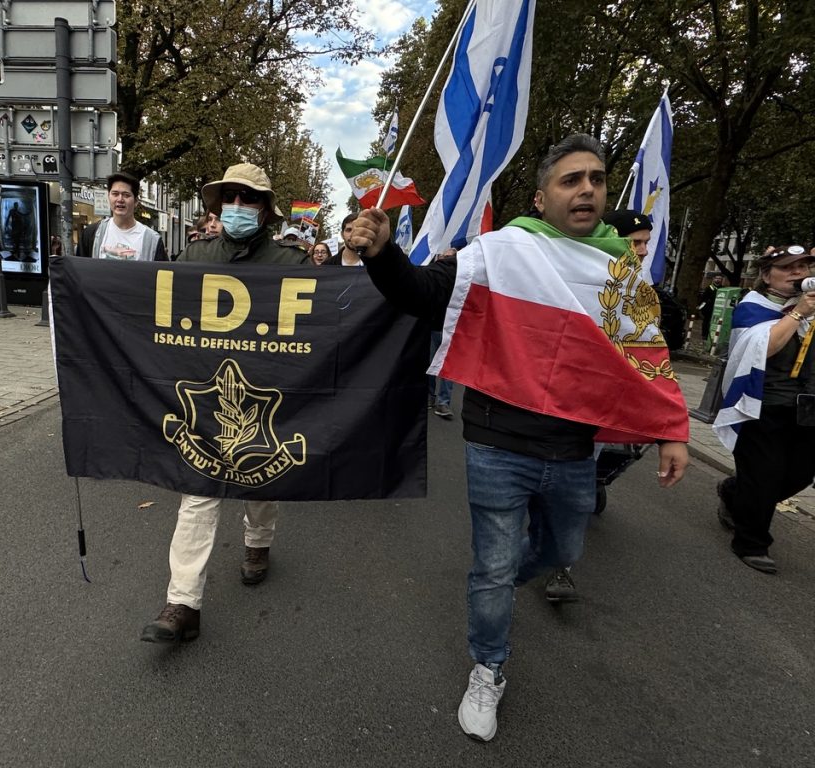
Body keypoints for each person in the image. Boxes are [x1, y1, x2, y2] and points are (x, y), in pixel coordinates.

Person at [350, 133, 690, 742]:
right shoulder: (503, 251)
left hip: (574, 448)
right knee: (494, 564)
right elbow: (425, 294)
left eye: (596, 178)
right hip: (498, 443)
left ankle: (499, 584)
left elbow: (647, 354)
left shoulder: (620, 272)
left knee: (561, 551)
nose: (586, 189)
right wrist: (383, 257)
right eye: (570, 179)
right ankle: (488, 667)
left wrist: (671, 429)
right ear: (541, 197)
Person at [140, 162, 309, 645]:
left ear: (265, 209)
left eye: (248, 198)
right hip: (204, 397)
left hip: (265, 398)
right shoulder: (195, 255)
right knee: (198, 494)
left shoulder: (292, 264)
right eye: (229, 197)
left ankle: (258, 543)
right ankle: (182, 603)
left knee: (261, 484)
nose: (237, 206)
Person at [714, 245, 815, 574]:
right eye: (787, 267)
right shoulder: (753, 307)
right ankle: (751, 542)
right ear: (766, 276)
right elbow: (765, 347)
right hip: (763, 405)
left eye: (803, 266)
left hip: (806, 408)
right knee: (764, 476)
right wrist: (797, 313)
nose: (797, 272)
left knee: (801, 474)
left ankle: (734, 491)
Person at [77, 171, 168, 262]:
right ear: (108, 196)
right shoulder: (91, 234)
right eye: (115, 194)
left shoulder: (153, 240)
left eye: (126, 195)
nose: (120, 199)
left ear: (136, 201)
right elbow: (80, 268)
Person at [429, 248, 458, 420]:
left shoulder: (461, 279)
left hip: (452, 330)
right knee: (431, 364)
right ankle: (430, 395)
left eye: (451, 258)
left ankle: (443, 402)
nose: (447, 260)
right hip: (434, 327)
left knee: (448, 368)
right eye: (444, 257)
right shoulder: (433, 277)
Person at [698, 274, 725, 340]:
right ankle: (705, 334)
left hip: (718, 308)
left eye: (719, 278)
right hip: (708, 308)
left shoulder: (722, 289)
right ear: (713, 279)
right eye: (716, 278)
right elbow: (703, 298)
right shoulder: (709, 288)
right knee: (706, 321)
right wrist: (700, 306)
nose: (718, 280)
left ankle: (714, 335)